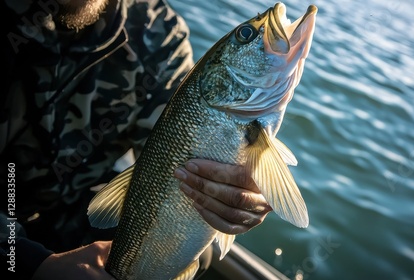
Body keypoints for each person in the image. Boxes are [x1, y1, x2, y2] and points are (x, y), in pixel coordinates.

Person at [0, 0, 272, 279]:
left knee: (201, 254)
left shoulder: (159, 34)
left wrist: (230, 196)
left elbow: (176, 160)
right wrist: (30, 262)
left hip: (71, 207)